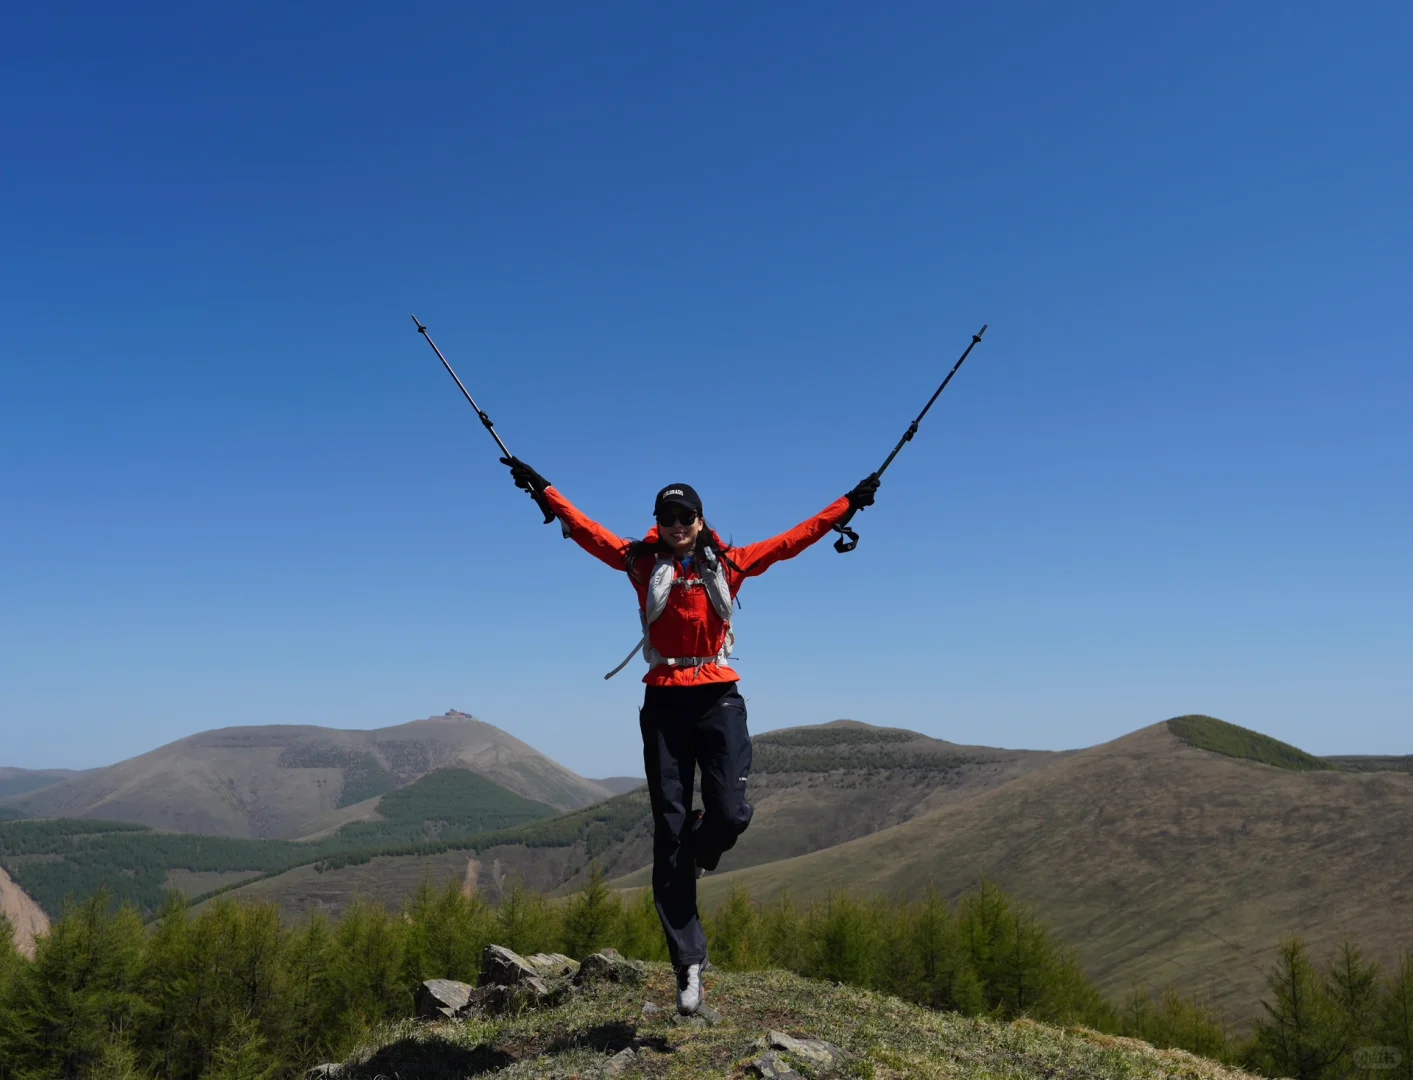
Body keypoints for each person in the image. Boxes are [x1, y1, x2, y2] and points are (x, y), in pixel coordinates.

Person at [500, 456, 880, 1014]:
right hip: (663, 699)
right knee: (669, 831)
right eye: (668, 516)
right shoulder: (639, 561)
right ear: (659, 520)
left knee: (728, 814)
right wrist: (543, 490)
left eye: (686, 516)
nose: (677, 525)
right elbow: (586, 531)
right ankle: (688, 965)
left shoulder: (729, 562)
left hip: (718, 696)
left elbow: (795, 539)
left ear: (701, 520)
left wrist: (847, 503)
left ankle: (705, 845)